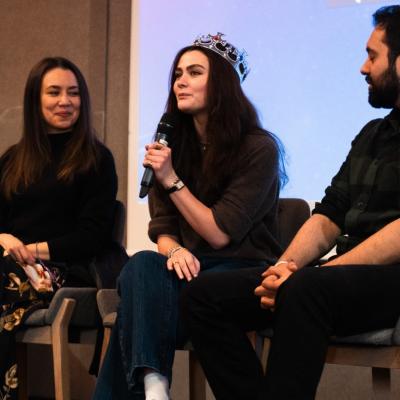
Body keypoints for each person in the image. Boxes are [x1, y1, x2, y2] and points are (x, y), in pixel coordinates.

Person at [180, 5, 400, 400]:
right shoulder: (372, 134)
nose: (363, 68)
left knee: (305, 290)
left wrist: (312, 275)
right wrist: (282, 269)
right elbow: (330, 213)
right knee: (204, 296)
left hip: (390, 280)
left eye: (372, 56)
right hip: (339, 280)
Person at [94, 33, 287, 400]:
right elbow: (164, 229)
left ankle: (151, 390)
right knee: (140, 265)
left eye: (195, 72)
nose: (180, 81)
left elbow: (220, 233)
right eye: (178, 74)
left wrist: (170, 178)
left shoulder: (258, 148)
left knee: (136, 312)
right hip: (190, 269)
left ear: (223, 84)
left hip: (239, 273)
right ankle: (155, 387)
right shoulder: (173, 145)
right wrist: (174, 250)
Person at [0, 57, 118, 399]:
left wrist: (27, 251)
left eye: (73, 93)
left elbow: (92, 237)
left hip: (66, 270)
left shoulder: (97, 159)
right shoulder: (12, 160)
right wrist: (3, 238)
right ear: (35, 100)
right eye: (54, 92)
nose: (65, 101)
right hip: (9, 266)